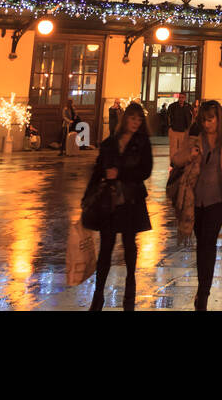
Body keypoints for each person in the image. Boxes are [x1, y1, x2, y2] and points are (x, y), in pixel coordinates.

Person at [171, 100, 222, 311]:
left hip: (218, 199)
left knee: (208, 241)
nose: (207, 124)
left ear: (218, 118)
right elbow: (176, 159)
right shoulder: (195, 135)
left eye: (210, 120)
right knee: (202, 244)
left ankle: (204, 293)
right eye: (204, 120)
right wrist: (190, 155)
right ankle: (202, 286)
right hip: (195, 199)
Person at [84, 101, 153, 311]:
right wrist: (87, 197)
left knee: (129, 244)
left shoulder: (142, 143)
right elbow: (98, 170)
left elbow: (145, 171)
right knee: (106, 247)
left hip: (131, 200)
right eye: (133, 118)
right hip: (109, 201)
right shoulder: (110, 142)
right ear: (125, 119)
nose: (136, 122)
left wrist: (120, 174)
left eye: (139, 119)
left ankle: (130, 287)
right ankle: (98, 294)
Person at [166, 92, 193, 160]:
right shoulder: (172, 106)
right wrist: (170, 126)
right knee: (173, 148)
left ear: (185, 98)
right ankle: (173, 162)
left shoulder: (188, 107)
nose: (181, 99)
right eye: (180, 97)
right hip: (174, 130)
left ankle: (180, 161)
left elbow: (192, 117)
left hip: (184, 131)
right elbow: (167, 117)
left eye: (182, 97)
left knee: (182, 148)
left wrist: (188, 128)